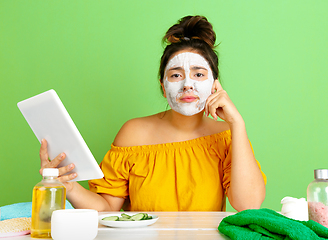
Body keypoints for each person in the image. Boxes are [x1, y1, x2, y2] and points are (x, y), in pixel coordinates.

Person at [39, 15, 266, 212]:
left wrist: (237, 124)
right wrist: (67, 186)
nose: (187, 84)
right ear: (162, 85)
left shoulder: (225, 135)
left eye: (198, 74)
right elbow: (106, 209)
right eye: (176, 75)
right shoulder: (133, 133)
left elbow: (249, 204)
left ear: (215, 85)